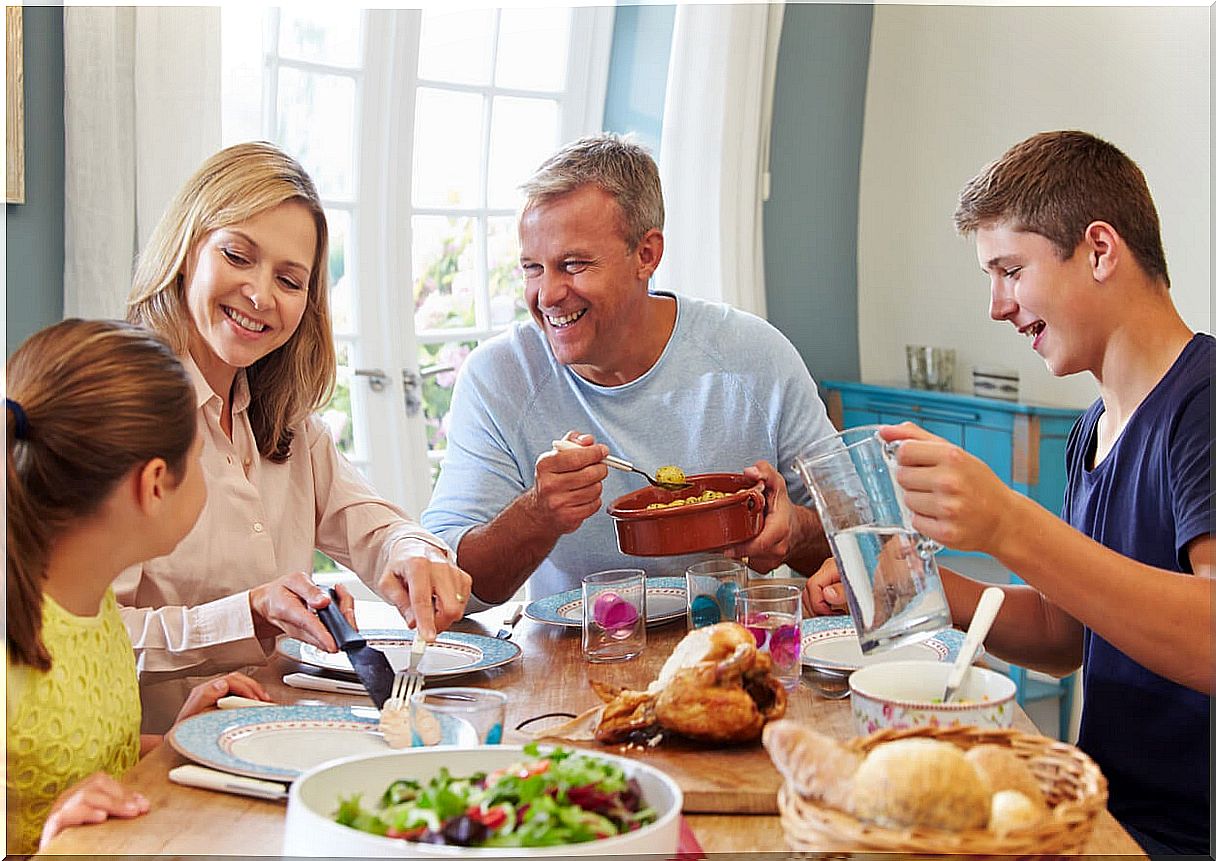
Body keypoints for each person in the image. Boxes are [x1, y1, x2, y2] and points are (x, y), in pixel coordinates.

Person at [802, 130, 1211, 856]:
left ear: (1099, 249)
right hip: (1103, 813)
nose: (997, 305)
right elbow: (1066, 637)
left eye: (1010, 269)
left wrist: (1009, 524)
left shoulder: (1203, 401)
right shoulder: (1093, 428)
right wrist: (918, 581)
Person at [122, 142, 472, 730]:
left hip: (274, 738)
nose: (261, 295)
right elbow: (79, 641)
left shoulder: (287, 424)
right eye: (237, 255)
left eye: (289, 280)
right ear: (186, 252)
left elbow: (377, 528)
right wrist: (250, 614)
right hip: (155, 770)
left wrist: (414, 553)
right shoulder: (122, 417)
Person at [422, 134, 835, 607]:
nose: (547, 295)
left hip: (733, 653)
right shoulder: (498, 377)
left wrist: (795, 532)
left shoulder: (756, 358)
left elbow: (870, 542)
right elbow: (445, 586)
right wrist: (538, 514)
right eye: (533, 268)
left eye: (573, 264)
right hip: (571, 664)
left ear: (647, 255)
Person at [6, 319, 271, 854]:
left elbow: (78, 769)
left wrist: (176, 742)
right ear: (153, 485)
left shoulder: (92, 602)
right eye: (198, 459)